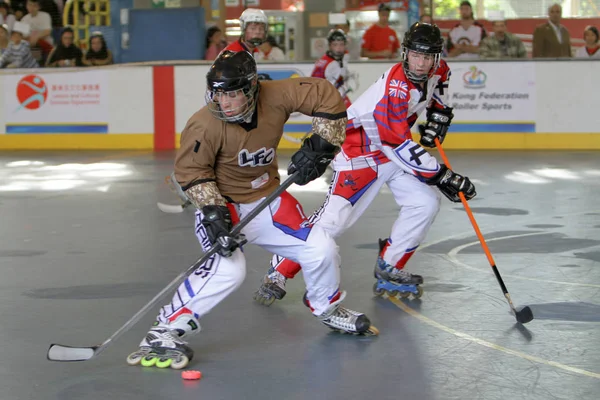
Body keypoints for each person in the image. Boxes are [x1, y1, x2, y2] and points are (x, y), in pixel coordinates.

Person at [126, 50, 378, 370]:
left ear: (252, 88)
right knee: (230, 269)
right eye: (218, 93)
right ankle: (163, 330)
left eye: (232, 93)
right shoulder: (203, 125)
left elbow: (326, 94)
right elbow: (191, 173)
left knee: (322, 248)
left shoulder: (276, 94)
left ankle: (325, 308)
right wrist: (215, 215)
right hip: (223, 204)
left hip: (267, 199)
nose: (224, 102)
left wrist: (323, 144)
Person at [254, 22, 476, 305]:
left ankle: (390, 265)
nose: (420, 64)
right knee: (334, 221)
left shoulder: (439, 68)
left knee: (426, 203)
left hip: (393, 150)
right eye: (415, 56)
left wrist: (439, 117)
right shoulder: (396, 87)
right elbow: (396, 142)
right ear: (405, 53)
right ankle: (279, 270)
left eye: (428, 56)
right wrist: (442, 174)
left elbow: (439, 92)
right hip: (362, 151)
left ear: (436, 57)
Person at [311, 29, 352, 108]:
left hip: (340, 97)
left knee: (352, 116)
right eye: (335, 45)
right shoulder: (327, 63)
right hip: (328, 101)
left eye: (341, 44)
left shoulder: (343, 57)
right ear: (330, 46)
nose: (339, 48)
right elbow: (314, 85)